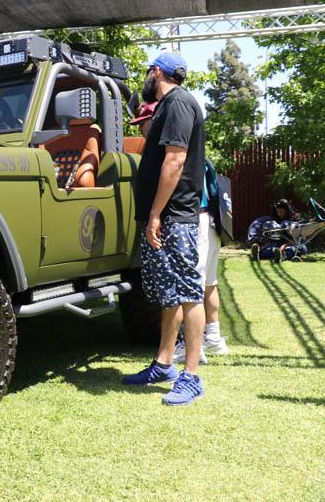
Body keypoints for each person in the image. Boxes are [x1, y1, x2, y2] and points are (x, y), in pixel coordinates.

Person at [122, 52, 208, 406]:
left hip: (175, 217)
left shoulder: (179, 103)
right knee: (169, 295)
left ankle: (192, 376)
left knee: (188, 292)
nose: (146, 79)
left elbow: (175, 159)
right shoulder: (166, 106)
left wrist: (156, 213)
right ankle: (163, 364)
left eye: (148, 73)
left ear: (156, 72)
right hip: (164, 217)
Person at [173, 158, 230, 364]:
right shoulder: (204, 159)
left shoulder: (184, 157)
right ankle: (213, 338)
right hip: (213, 224)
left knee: (192, 286)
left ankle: (192, 346)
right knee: (209, 283)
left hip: (197, 221)